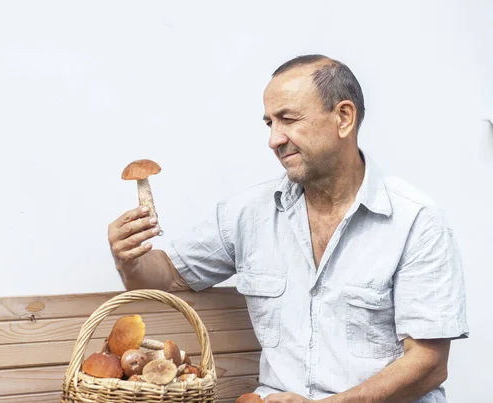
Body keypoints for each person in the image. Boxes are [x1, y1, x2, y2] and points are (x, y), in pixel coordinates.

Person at [107, 54, 469, 402]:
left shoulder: (417, 221)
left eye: (288, 119)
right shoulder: (248, 213)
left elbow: (429, 364)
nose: (274, 139)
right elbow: (167, 277)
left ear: (343, 118)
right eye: (269, 123)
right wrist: (130, 260)